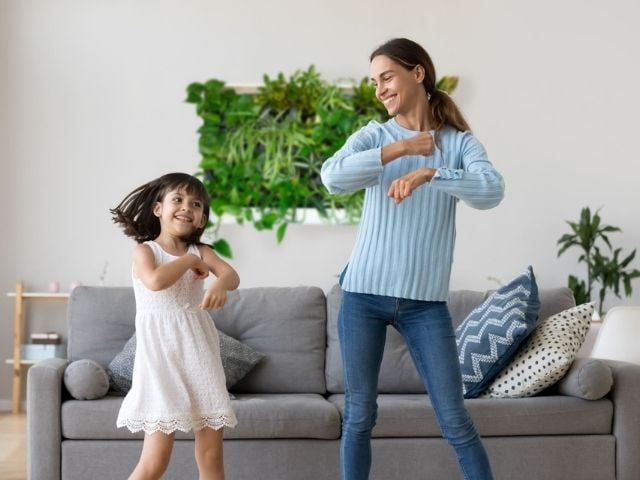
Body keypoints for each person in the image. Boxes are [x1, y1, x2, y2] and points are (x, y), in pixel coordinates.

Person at [321, 38, 504, 480]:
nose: (380, 89)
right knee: (360, 416)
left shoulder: (459, 144)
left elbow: (492, 190)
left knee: (455, 420)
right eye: (374, 82)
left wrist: (433, 173)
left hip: (425, 304)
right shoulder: (375, 135)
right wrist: (400, 150)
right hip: (363, 296)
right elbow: (332, 177)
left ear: (417, 73)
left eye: (386, 77)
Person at [110, 172, 240, 480]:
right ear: (158, 209)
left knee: (211, 456)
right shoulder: (145, 251)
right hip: (161, 362)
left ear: (202, 218)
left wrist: (219, 283)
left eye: (196, 204)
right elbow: (155, 281)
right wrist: (187, 262)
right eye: (178, 200)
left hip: (199, 355)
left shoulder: (203, 251)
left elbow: (231, 276)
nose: (186, 207)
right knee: (156, 460)